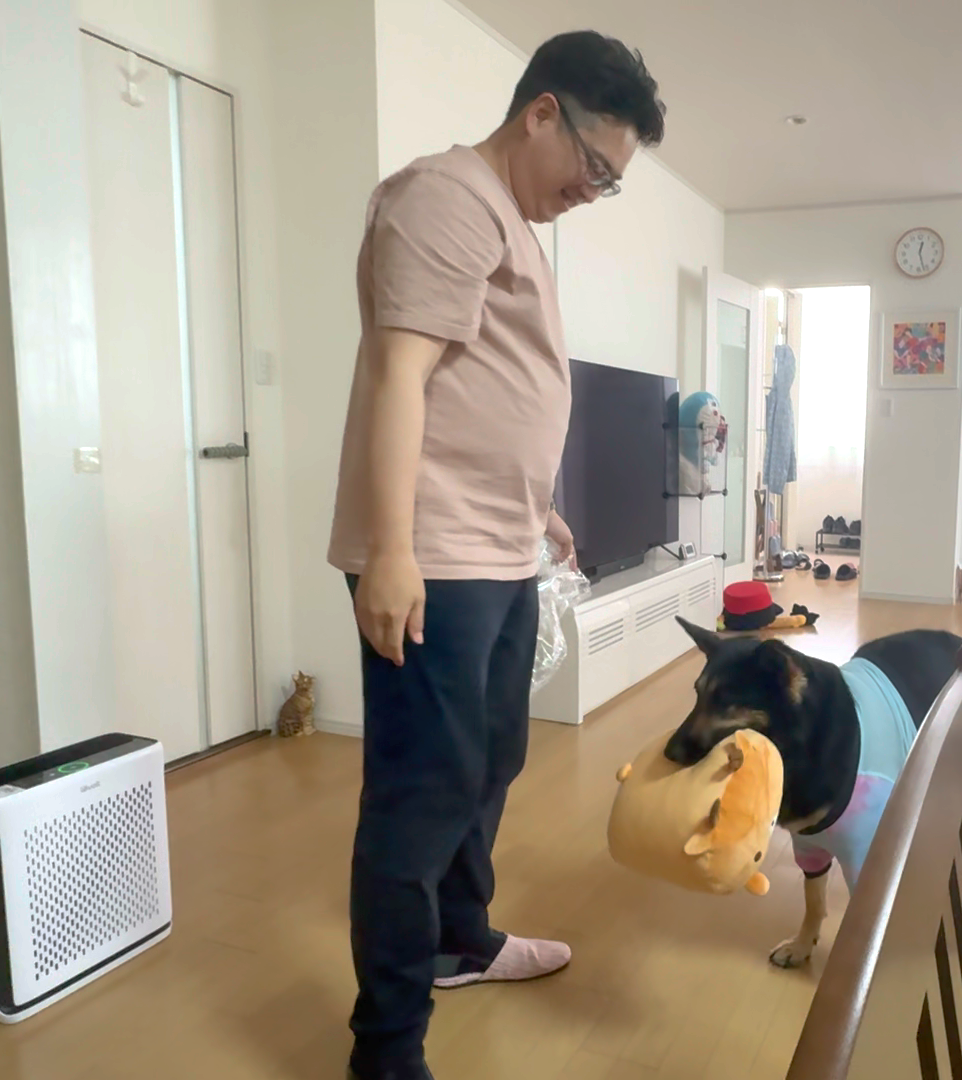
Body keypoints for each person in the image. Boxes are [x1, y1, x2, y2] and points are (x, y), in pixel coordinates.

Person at [326, 29, 666, 1080]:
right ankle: (386, 1049)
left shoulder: (510, 222)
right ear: (540, 113)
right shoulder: (445, 198)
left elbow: (488, 390)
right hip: (436, 554)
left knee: (490, 759)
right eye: (595, 167)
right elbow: (400, 376)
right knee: (421, 790)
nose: (592, 191)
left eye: (610, 182)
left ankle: (459, 942)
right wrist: (391, 551)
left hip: (500, 548)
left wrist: (540, 511)